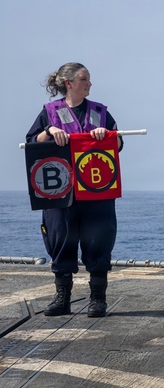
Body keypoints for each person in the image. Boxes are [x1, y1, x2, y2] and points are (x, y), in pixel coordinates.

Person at [26, 62, 123, 319]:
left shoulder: (101, 113)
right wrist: (49, 131)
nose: (89, 84)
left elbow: (120, 142)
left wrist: (109, 136)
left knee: (98, 240)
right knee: (60, 239)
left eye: (89, 79)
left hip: (97, 190)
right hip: (60, 192)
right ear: (69, 83)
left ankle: (97, 300)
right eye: (84, 79)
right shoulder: (49, 113)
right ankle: (62, 298)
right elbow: (31, 141)